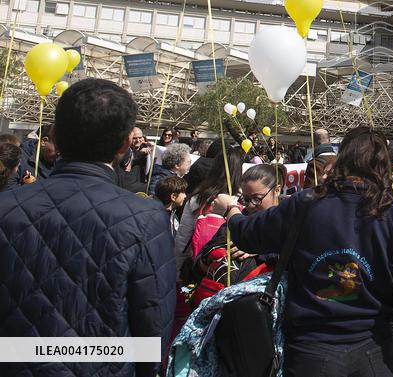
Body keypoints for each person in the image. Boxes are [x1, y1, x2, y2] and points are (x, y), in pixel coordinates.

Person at [215, 125, 393, 377]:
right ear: (385, 168)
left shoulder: (306, 205)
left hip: (313, 353)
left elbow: (247, 235)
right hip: (370, 354)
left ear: (343, 159)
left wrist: (231, 210)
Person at [0, 79, 175, 375]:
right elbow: (153, 331)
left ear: (54, 134)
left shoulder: (6, 207)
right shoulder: (147, 218)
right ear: (123, 145)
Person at [191, 164, 286, 306]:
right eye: (245, 200)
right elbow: (197, 267)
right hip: (227, 308)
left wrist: (260, 249)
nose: (250, 205)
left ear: (277, 190)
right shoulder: (237, 220)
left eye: (257, 198)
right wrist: (209, 261)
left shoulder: (290, 220)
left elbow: (299, 258)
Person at [173, 139, 241, 274]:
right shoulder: (242, 202)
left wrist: (177, 270)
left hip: (199, 266)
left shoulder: (197, 198)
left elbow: (183, 237)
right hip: (229, 270)